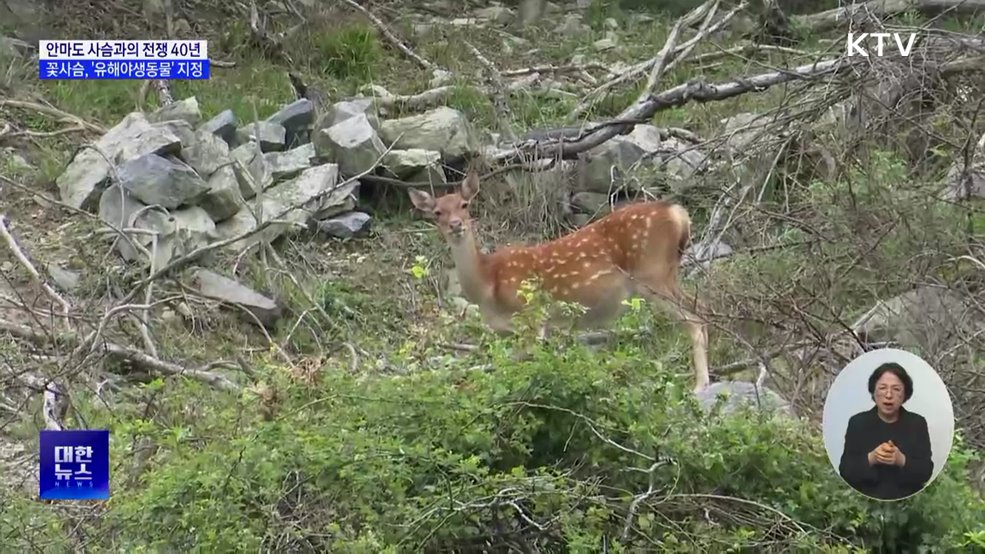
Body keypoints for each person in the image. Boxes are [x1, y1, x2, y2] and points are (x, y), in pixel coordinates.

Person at [838, 362, 934, 500]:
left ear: (905, 394)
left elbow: (926, 471)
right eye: (882, 388)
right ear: (874, 392)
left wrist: (901, 460)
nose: (889, 395)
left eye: (896, 389)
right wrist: (872, 458)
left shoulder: (917, 424)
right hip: (864, 501)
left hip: (907, 502)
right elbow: (845, 470)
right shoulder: (857, 423)